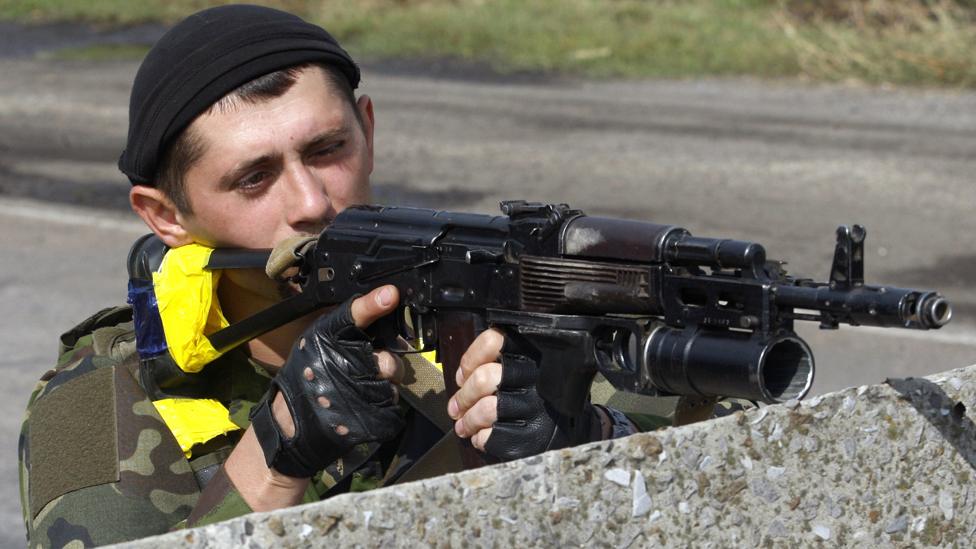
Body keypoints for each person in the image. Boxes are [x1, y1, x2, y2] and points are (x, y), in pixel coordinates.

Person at [18, 5, 646, 546]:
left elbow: (719, 464)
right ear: (166, 216)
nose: (312, 203)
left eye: (326, 151)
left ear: (366, 130)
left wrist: (591, 440)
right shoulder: (99, 406)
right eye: (254, 178)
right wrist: (280, 451)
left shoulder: (494, 302)